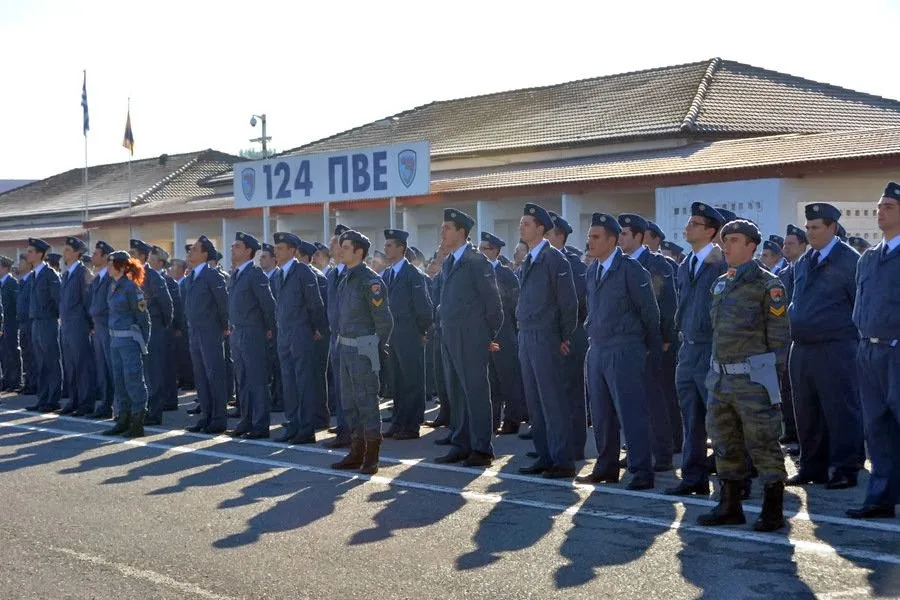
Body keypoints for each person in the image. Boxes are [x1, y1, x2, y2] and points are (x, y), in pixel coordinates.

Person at [697, 219, 789, 532]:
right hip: (721, 378)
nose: (727, 246)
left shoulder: (769, 285)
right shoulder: (721, 283)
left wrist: (770, 382)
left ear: (751, 246)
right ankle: (730, 505)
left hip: (754, 378)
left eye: (734, 240)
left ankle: (773, 509)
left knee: (763, 443)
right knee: (724, 442)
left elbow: (779, 339)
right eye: (725, 241)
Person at [577, 213, 660, 490]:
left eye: (595, 237)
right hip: (598, 347)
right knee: (601, 414)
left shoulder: (631, 270)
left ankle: (641, 471)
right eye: (589, 237)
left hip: (624, 348)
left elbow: (649, 312)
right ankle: (606, 466)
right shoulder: (592, 270)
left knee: (630, 411)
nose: (589, 242)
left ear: (612, 240)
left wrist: (644, 347)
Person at [786, 203, 864, 490]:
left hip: (836, 346)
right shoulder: (806, 261)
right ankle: (812, 466)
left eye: (816, 227)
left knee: (841, 408)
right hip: (803, 347)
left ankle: (845, 467)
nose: (810, 232)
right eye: (808, 228)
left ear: (832, 228)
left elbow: (859, 305)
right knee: (807, 410)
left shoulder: (849, 261)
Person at [665, 202, 727, 496]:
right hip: (688, 350)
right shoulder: (686, 264)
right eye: (689, 223)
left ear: (711, 231)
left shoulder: (721, 264)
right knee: (691, 420)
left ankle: (731, 481)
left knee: (719, 420)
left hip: (711, 349)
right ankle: (693, 478)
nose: (687, 228)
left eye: (695, 224)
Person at [847, 181, 900, 519]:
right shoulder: (868, 258)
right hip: (869, 351)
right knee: (877, 429)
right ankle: (880, 497)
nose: (880, 211)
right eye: (879, 206)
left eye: (889, 207)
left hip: (897, 351)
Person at [434, 208, 503, 466]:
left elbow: (493, 303)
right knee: (457, 393)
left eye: (447, 228)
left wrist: (486, 335)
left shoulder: (476, 261)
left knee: (475, 392)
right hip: (451, 334)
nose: (442, 232)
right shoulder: (451, 261)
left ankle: (482, 448)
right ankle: (462, 442)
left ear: (461, 232)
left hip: (471, 336)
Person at [516, 203, 578, 478]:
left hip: (545, 334)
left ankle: (562, 459)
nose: (522, 226)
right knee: (535, 401)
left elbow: (569, 303)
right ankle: (544, 455)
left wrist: (563, 336)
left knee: (552, 400)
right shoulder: (529, 258)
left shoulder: (554, 260)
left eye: (526, 223)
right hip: (527, 334)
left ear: (541, 229)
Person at [330, 230, 394, 475]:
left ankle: (372, 455)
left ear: (359, 252)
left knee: (367, 401)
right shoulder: (346, 277)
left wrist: (375, 348)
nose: (340, 250)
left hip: (364, 347)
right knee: (349, 403)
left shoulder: (371, 281)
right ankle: (356, 452)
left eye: (345, 247)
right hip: (344, 347)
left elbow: (384, 321)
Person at [617, 213, 677, 471]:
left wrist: (664, 338)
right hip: (627, 343)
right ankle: (636, 449)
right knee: (631, 401)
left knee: (654, 400)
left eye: (623, 234)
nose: (618, 238)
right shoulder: (619, 264)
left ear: (639, 237)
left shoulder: (656, 264)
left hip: (651, 342)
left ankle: (662, 454)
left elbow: (666, 304)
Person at [272, 232, 327, 444]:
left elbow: (315, 303)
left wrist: (317, 328)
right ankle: (293, 423)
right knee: (289, 381)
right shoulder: (278, 275)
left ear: (293, 251)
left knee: (304, 381)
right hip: (284, 332)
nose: (276, 252)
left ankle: (306, 427)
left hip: (301, 330)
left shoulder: (302, 271)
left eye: (280, 248)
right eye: (276, 248)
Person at [381, 229, 433, 440]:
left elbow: (424, 308)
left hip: (409, 333)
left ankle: (411, 425)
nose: (386, 249)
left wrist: (421, 331)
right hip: (393, 335)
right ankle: (398, 421)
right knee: (397, 382)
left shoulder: (413, 275)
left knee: (411, 380)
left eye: (390, 245)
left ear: (401, 248)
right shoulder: (387, 274)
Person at [226, 232, 277, 440]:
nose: (232, 249)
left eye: (237, 246)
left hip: (253, 332)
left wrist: (269, 329)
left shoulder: (255, 274)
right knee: (243, 380)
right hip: (237, 332)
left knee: (257, 379)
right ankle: (246, 419)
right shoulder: (236, 274)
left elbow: (268, 304)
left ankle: (260, 423)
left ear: (248, 251)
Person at [547, 211, 589, 460]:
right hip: (549, 337)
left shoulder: (574, 265)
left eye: (548, 233)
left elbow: (580, 302)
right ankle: (556, 444)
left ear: (560, 236)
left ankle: (575, 446)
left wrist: (566, 334)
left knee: (572, 393)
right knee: (552, 394)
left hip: (571, 335)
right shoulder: (541, 261)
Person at [478, 232, 528, 435]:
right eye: (479, 249)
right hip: (484, 334)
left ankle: (512, 420)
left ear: (495, 252)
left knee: (508, 379)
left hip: (504, 333)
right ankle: (492, 420)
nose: (480, 253)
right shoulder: (479, 273)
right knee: (490, 381)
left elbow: (515, 303)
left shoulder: (506, 275)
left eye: (485, 249)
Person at [101, 251, 151, 438]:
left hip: (129, 341)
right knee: (120, 381)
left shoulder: (132, 288)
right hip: (115, 340)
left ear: (121, 267)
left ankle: (137, 422)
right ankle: (123, 419)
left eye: (111, 263)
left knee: (133, 380)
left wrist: (143, 343)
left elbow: (143, 319)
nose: (108, 267)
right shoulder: (113, 286)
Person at [184, 236, 230, 434]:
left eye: (194, 249)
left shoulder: (212, 275)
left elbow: (223, 303)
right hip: (195, 331)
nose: (190, 252)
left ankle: (219, 418)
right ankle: (206, 415)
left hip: (210, 331)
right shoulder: (192, 276)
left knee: (214, 375)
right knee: (201, 376)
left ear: (204, 254)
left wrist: (223, 327)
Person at [129, 239, 173, 426]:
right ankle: (141, 409)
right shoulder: (130, 276)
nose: (130, 257)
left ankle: (154, 412)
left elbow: (166, 305)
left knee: (153, 372)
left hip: (153, 328)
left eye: (133, 254)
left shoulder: (153, 277)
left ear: (142, 257)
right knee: (140, 372)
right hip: (136, 329)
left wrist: (162, 326)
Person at [58, 237, 96, 417]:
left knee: (82, 365)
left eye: (67, 250)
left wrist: (90, 325)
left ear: (76, 253)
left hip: (79, 325)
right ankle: (73, 400)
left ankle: (85, 402)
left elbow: (87, 301)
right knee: (70, 365)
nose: (64, 253)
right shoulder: (67, 274)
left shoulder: (83, 273)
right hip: (66, 325)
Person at [25, 238, 62, 413]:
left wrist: (51, 316)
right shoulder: (34, 275)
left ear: (40, 254)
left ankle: (52, 399)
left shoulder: (50, 274)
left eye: (31, 251)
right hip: (36, 322)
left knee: (51, 361)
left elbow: (58, 300)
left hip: (47, 322)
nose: (27, 254)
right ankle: (43, 398)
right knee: (40, 362)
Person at [299, 240, 331, 431]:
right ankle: (310, 414)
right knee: (308, 377)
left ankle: (319, 416)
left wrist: (318, 329)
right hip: (308, 332)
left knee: (316, 377)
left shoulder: (316, 276)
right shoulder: (303, 275)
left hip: (316, 334)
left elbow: (320, 306)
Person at [87, 241, 116, 419]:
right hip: (98, 326)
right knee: (102, 368)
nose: (93, 257)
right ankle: (105, 405)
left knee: (111, 367)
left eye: (96, 254)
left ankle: (115, 405)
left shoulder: (111, 277)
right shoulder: (98, 277)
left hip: (107, 326)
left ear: (106, 257)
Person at [259, 243, 283, 413]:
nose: (261, 259)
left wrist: (271, 327)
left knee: (279, 366)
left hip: (276, 328)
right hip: (267, 329)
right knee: (271, 366)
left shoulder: (277, 277)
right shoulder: (265, 277)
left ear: (274, 260)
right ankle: (275, 397)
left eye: (265, 256)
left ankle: (280, 399)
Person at [15, 254, 35, 396]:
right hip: (22, 322)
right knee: (27, 355)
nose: (19, 264)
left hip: (30, 322)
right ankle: (28, 383)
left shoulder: (31, 280)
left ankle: (34, 384)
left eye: (21, 261)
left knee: (33, 356)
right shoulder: (22, 281)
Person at [0, 255, 20, 393]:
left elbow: (15, 304)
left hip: (10, 322)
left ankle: (14, 380)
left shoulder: (12, 283)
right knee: (4, 353)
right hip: (3, 323)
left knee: (12, 351)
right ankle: (7, 379)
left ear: (5, 268)